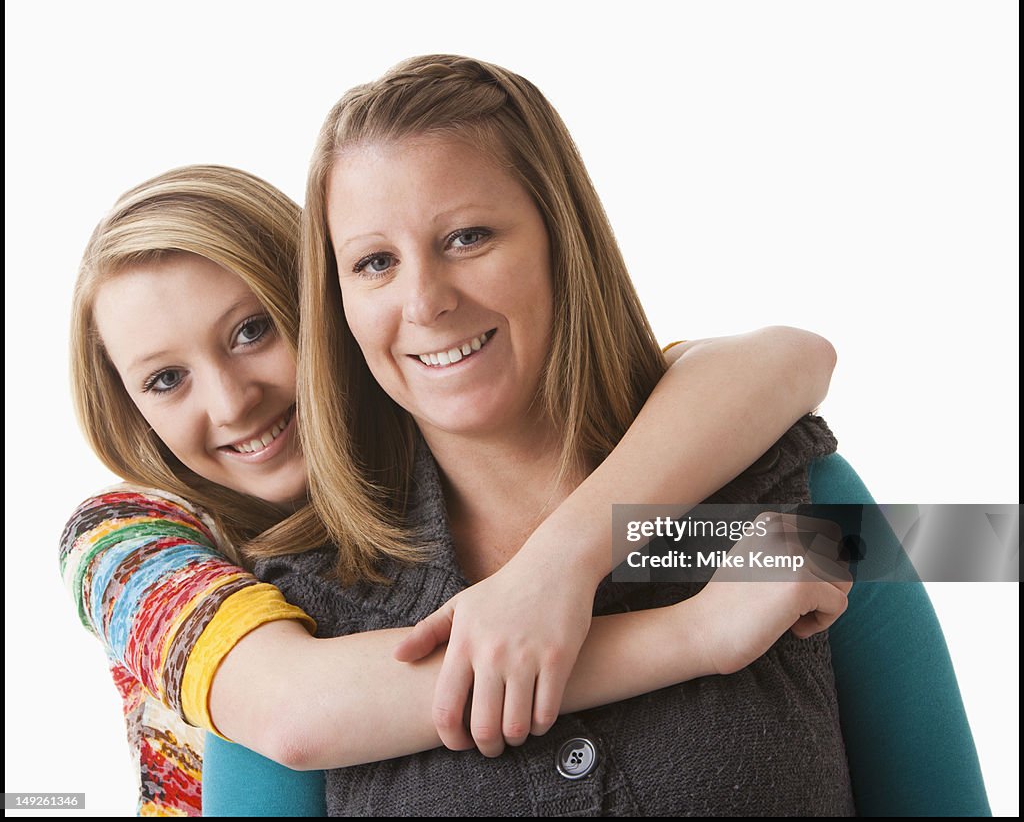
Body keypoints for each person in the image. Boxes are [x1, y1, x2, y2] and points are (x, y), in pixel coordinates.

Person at [203, 55, 991, 816]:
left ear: (559, 236)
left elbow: (977, 545)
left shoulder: (792, 501)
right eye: (374, 262)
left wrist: (565, 561)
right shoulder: (297, 600)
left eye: (468, 237)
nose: (425, 301)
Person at [63, 164, 847, 816]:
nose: (233, 401)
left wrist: (560, 564)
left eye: (253, 330)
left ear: (329, 300)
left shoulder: (478, 435)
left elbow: (784, 362)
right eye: (165, 379)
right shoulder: (124, 537)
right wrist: (698, 633)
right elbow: (293, 712)